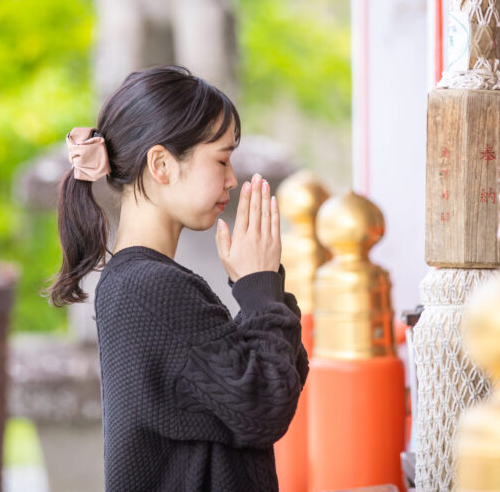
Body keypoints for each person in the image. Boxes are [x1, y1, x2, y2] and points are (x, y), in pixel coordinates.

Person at [47, 65, 308, 491]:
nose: (231, 179)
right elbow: (263, 404)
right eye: (221, 159)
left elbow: (250, 389)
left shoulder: (141, 283)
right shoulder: (151, 289)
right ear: (162, 164)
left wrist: (260, 285)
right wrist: (259, 289)